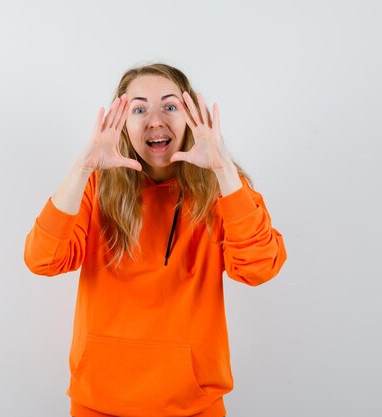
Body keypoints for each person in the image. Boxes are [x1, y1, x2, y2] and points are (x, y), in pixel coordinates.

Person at [23, 63, 287, 417]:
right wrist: (82, 168)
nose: (155, 120)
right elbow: (42, 259)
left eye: (169, 106)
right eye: (139, 109)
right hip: (98, 403)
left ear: (192, 117)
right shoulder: (95, 187)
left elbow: (260, 268)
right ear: (122, 123)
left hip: (195, 406)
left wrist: (224, 170)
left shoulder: (224, 189)